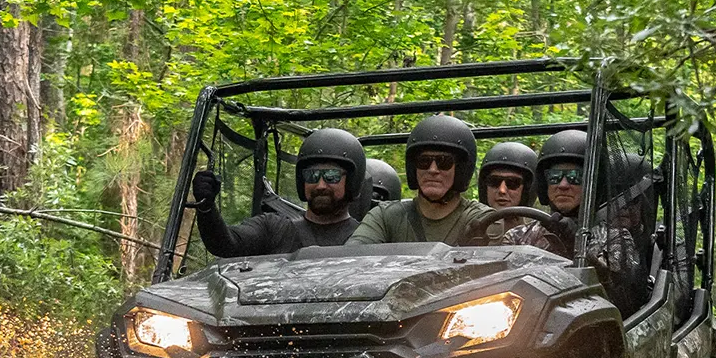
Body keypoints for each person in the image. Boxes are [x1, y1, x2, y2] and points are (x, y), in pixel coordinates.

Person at [504, 129, 644, 315]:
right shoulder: (518, 238)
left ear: (592, 184)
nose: (563, 185)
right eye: (554, 177)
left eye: (575, 177)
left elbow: (624, 300)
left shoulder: (614, 238)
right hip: (522, 324)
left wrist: (577, 248)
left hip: (588, 328)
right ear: (545, 184)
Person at [191, 127, 364, 256]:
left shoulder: (367, 238)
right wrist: (207, 207)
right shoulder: (274, 228)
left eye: (331, 176)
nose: (320, 185)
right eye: (311, 176)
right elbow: (226, 244)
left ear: (351, 182)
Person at [349, 115, 494, 245]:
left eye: (444, 162)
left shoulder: (481, 220)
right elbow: (354, 256)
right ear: (413, 168)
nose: (432, 170)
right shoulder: (386, 217)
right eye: (423, 161)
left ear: (461, 170)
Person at [477, 141, 538, 233]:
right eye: (494, 181)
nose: (502, 190)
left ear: (527, 189)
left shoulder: (539, 232)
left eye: (512, 183)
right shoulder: (468, 224)